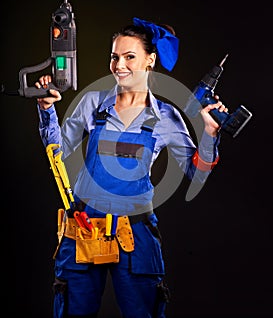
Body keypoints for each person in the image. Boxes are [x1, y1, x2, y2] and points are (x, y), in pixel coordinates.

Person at [35, 17, 227, 318]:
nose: (119, 65)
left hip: (134, 236)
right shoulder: (93, 103)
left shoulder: (167, 117)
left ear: (150, 60)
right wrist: (47, 110)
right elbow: (59, 152)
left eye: (129, 57)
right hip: (85, 230)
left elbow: (196, 173)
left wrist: (210, 134)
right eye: (115, 57)